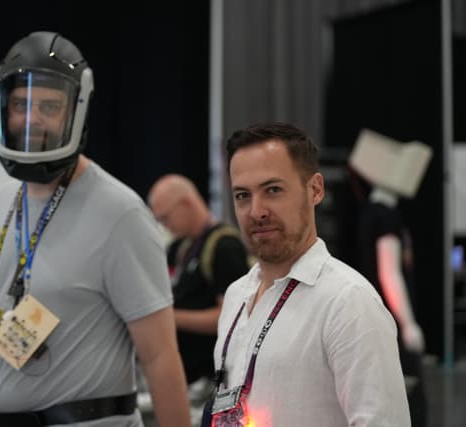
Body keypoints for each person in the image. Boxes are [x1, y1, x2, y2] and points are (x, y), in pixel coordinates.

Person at [0, 31, 190, 427]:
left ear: (75, 112)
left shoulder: (120, 213)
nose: (31, 118)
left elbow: (160, 356)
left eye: (49, 105)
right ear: (4, 109)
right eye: (21, 104)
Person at [205, 122, 410, 426]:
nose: (256, 211)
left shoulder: (348, 303)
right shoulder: (237, 295)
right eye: (242, 195)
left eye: (273, 190)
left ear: (315, 189)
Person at [349, 128, 432, 427]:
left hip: (381, 319)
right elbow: (389, 273)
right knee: (409, 400)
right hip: (392, 322)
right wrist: (407, 324)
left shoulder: (372, 213)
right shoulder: (385, 217)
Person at [148, 174, 250, 386]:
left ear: (186, 204)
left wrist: (170, 317)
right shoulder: (184, 246)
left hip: (212, 378)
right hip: (188, 376)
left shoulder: (224, 246)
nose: (165, 226)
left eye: (165, 218)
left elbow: (233, 317)